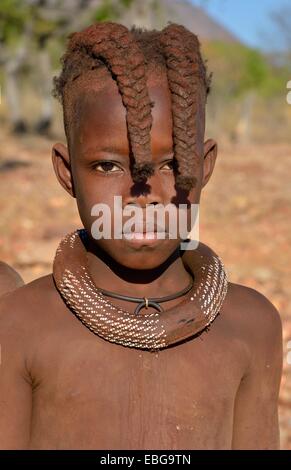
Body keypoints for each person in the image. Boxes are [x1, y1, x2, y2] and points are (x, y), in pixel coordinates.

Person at [0, 22, 282, 450]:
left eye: (171, 165)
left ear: (204, 166)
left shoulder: (250, 325)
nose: (143, 196)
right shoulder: (19, 323)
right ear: (66, 171)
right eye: (108, 166)